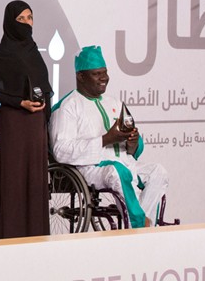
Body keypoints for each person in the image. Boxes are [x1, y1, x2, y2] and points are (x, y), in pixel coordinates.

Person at [49, 46, 169, 228]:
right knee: (116, 171)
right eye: (97, 74)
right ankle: (139, 225)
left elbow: (134, 148)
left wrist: (133, 142)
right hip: (91, 168)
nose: (104, 78)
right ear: (81, 76)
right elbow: (61, 151)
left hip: (125, 163)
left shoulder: (114, 103)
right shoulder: (67, 107)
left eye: (105, 72)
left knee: (158, 171)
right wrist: (105, 139)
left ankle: (144, 226)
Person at [0, 0, 51, 239]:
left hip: (36, 125)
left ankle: (36, 237)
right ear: (10, 22)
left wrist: (43, 103)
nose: (27, 23)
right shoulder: (3, 52)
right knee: (14, 178)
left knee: (35, 180)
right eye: (21, 19)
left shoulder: (34, 51)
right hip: (15, 121)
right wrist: (18, 102)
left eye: (30, 18)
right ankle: (11, 236)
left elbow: (44, 86)